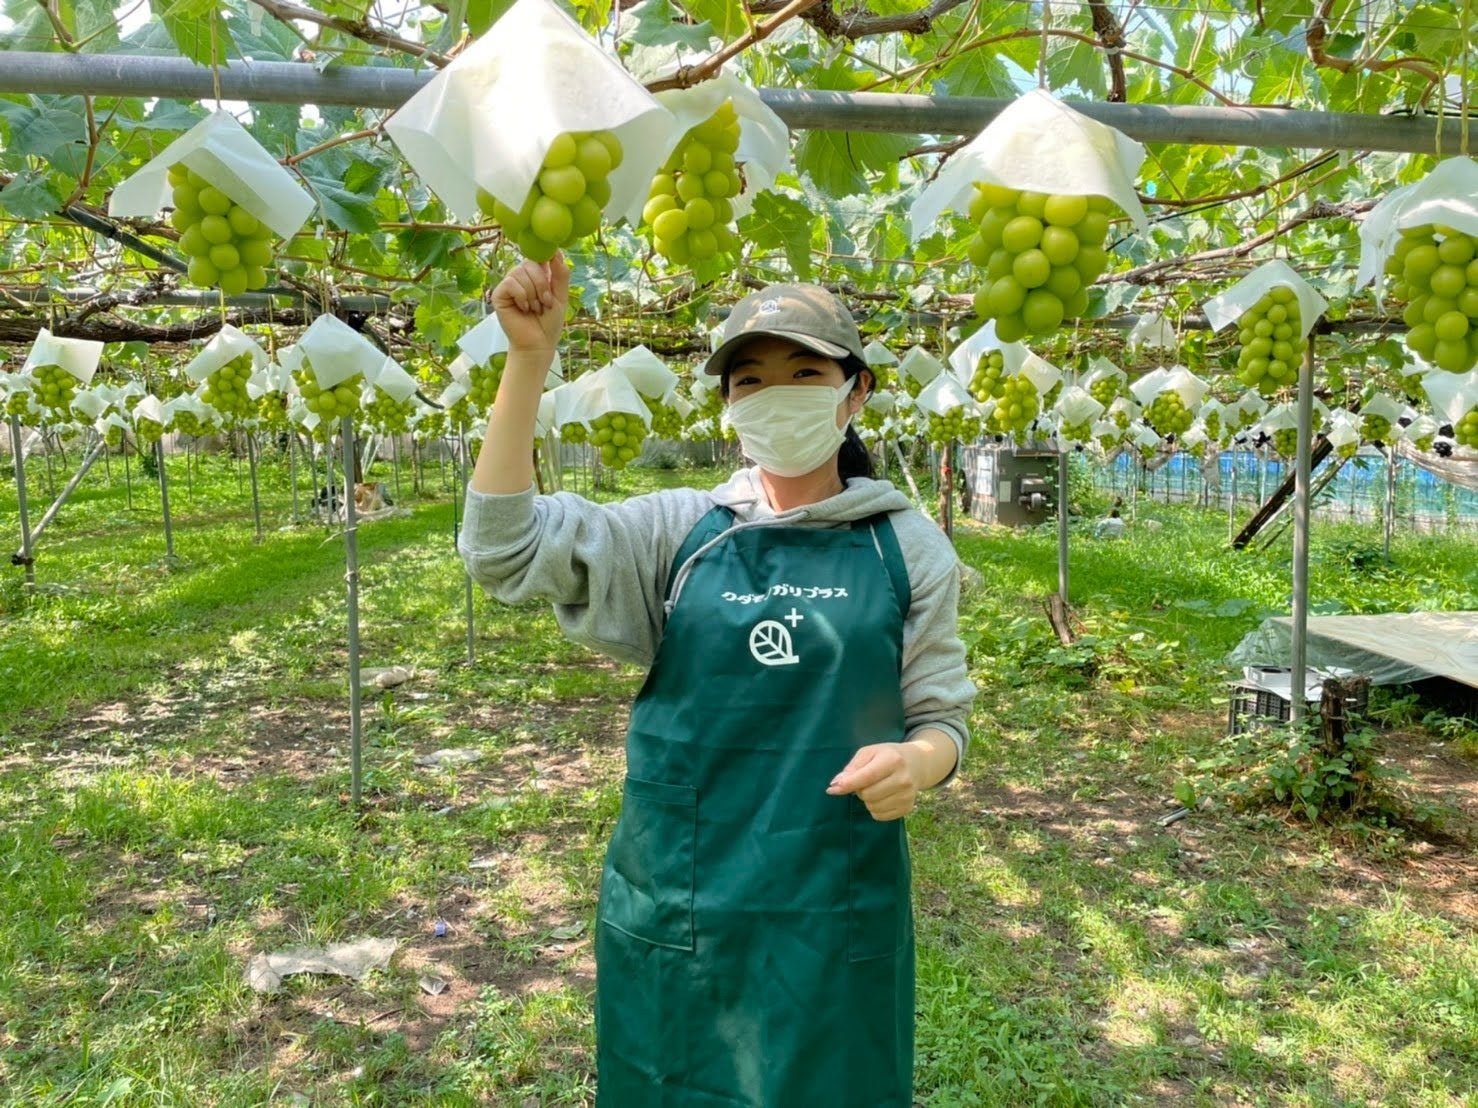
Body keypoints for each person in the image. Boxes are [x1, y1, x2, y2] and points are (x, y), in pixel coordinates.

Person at [459, 254, 976, 1107]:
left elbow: (942, 717)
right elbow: (502, 550)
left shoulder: (907, 546)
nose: (776, 393)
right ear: (730, 405)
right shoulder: (681, 533)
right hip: (680, 903)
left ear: (856, 393)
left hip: (831, 904)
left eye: (805, 372)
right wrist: (527, 363)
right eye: (750, 379)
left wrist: (919, 764)